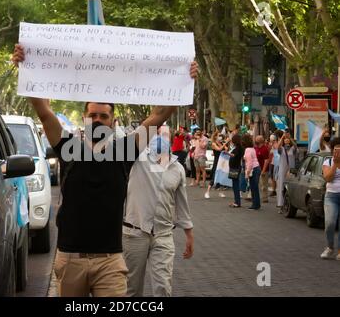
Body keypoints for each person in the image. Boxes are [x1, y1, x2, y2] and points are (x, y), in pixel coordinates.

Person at [12, 44, 199, 297]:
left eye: (104, 116)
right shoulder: (68, 148)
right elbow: (44, 113)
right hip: (70, 259)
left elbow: (160, 114)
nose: (98, 120)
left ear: (113, 121)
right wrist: (27, 68)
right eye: (93, 115)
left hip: (111, 261)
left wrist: (183, 80)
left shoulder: (124, 151)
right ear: (85, 118)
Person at [123, 127, 194, 297]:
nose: (161, 137)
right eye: (157, 133)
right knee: (131, 288)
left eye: (165, 134)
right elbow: (123, 140)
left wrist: (189, 234)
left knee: (163, 286)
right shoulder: (137, 160)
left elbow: (182, 204)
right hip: (135, 233)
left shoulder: (177, 169)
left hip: (163, 235)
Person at [321, 137, 340, 260]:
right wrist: (335, 164)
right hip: (331, 196)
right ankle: (329, 246)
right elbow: (328, 178)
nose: (337, 151)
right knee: (330, 223)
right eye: (335, 149)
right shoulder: (327, 161)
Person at [276, 130, 298, 211]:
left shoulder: (292, 148)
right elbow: (278, 147)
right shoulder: (281, 149)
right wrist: (282, 137)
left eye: (287, 139)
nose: (286, 140)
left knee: (290, 187)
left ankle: (291, 204)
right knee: (282, 186)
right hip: (282, 170)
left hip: (291, 170)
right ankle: (281, 205)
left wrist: (290, 137)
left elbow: (295, 146)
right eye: (285, 139)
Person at [205, 131, 228, 199]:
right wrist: (225, 143)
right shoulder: (213, 144)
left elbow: (226, 149)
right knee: (214, 177)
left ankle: (220, 192)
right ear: (215, 137)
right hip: (217, 161)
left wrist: (224, 144)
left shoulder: (220, 143)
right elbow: (219, 149)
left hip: (222, 161)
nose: (220, 137)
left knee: (221, 176)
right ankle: (207, 192)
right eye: (219, 135)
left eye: (220, 135)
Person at [243, 134, 261, 210]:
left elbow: (249, 163)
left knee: (253, 187)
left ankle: (255, 204)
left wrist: (247, 173)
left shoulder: (247, 150)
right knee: (255, 187)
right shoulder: (252, 148)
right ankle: (256, 203)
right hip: (256, 168)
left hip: (253, 169)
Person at [228, 134, 244, 208]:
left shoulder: (238, 148)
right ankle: (236, 201)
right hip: (235, 167)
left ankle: (237, 202)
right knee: (235, 184)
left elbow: (235, 156)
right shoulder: (238, 147)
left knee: (235, 185)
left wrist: (228, 154)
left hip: (235, 167)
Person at [255, 135, 270, 204]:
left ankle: (265, 198)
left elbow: (266, 160)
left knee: (264, 185)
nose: (255, 141)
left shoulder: (264, 149)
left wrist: (263, 170)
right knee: (257, 184)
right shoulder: (256, 148)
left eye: (256, 139)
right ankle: (255, 196)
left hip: (263, 169)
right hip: (257, 169)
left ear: (260, 141)